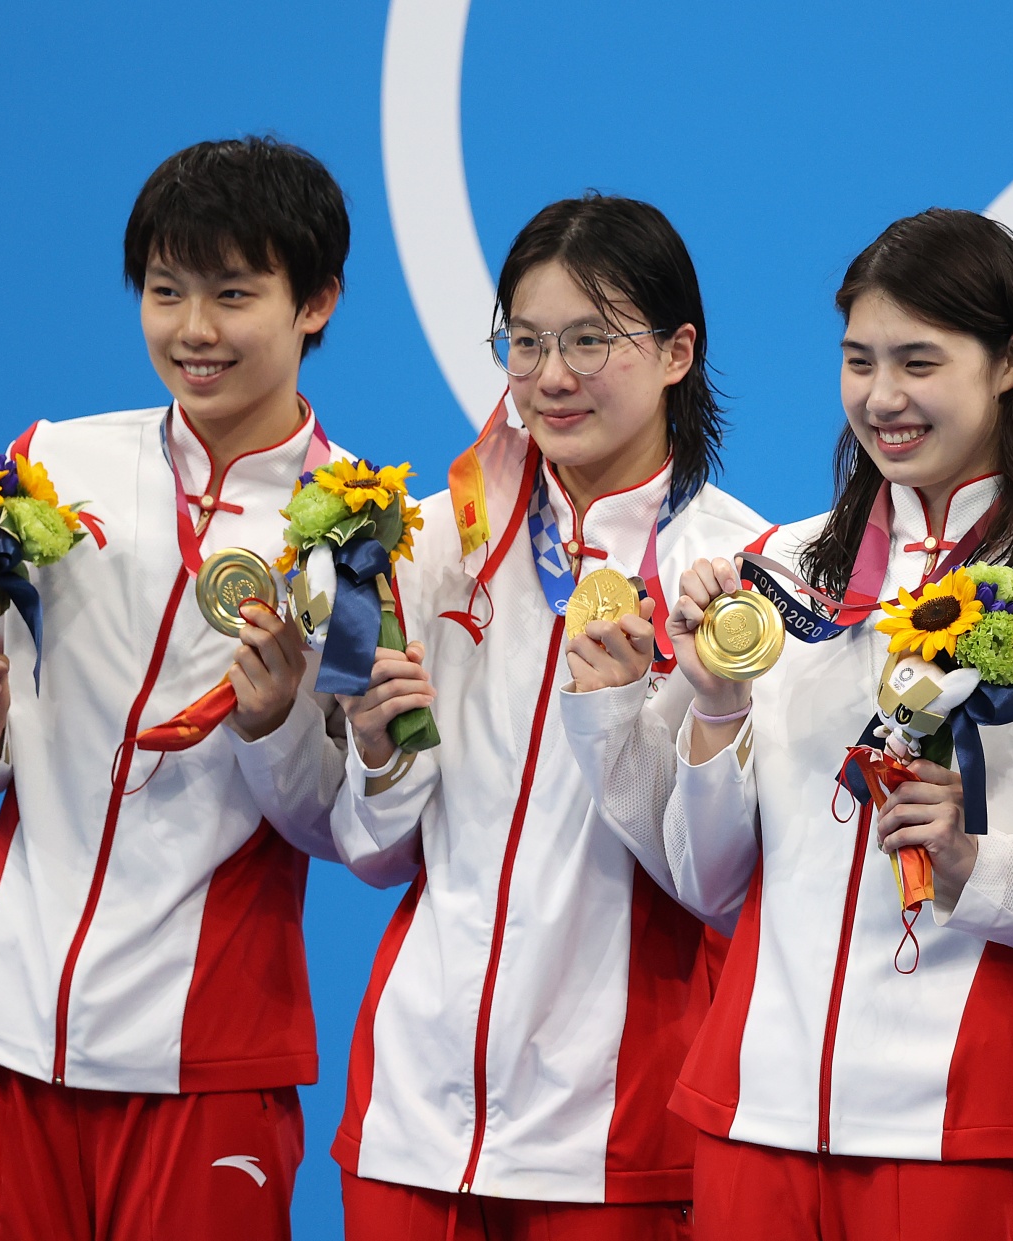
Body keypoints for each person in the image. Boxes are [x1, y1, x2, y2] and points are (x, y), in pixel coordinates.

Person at [562, 208, 1013, 1240]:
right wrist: (713, 709)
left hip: (965, 1126)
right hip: (753, 1108)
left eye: (917, 361)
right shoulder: (774, 573)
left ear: (1008, 364)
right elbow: (710, 881)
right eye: (857, 360)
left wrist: (971, 866)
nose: (881, 397)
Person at [0, 136, 368, 1237]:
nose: (193, 330)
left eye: (231, 293)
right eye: (166, 291)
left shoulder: (353, 533)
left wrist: (270, 725)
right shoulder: (52, 464)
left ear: (315, 303)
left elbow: (344, 822)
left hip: (204, 1056)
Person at [327, 194, 764, 1240]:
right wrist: (378, 754)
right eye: (524, 344)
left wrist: (619, 711)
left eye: (587, 340)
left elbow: (721, 883)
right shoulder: (425, 543)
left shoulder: (737, 576)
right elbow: (369, 849)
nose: (552, 376)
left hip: (613, 1134)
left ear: (675, 351)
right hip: (411, 1114)